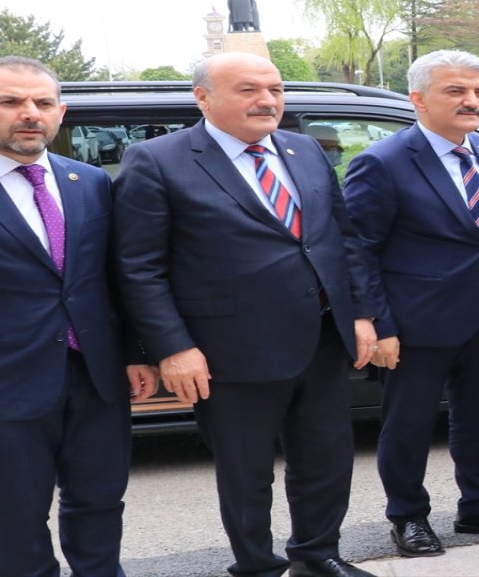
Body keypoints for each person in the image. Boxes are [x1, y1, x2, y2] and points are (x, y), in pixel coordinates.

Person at [114, 52, 377, 577]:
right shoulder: (158, 160)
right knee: (246, 470)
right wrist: (171, 346)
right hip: (227, 351)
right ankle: (256, 565)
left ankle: (318, 554)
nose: (267, 100)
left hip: (321, 339)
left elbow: (342, 239)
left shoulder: (303, 149)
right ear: (204, 98)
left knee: (326, 462)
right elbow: (137, 267)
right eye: (249, 89)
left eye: (275, 89)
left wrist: (362, 314)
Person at [0, 56, 158, 576]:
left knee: (100, 502)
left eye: (42, 103)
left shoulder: (88, 181)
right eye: (11, 101)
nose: (29, 113)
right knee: (18, 514)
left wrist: (134, 354)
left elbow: (111, 279)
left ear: (60, 112)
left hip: (95, 377)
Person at [344, 50, 479, 558]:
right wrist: (378, 322)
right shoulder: (383, 161)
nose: (472, 101)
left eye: (478, 92)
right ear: (418, 99)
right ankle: (408, 517)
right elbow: (359, 249)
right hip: (414, 322)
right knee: (408, 425)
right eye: (456, 91)